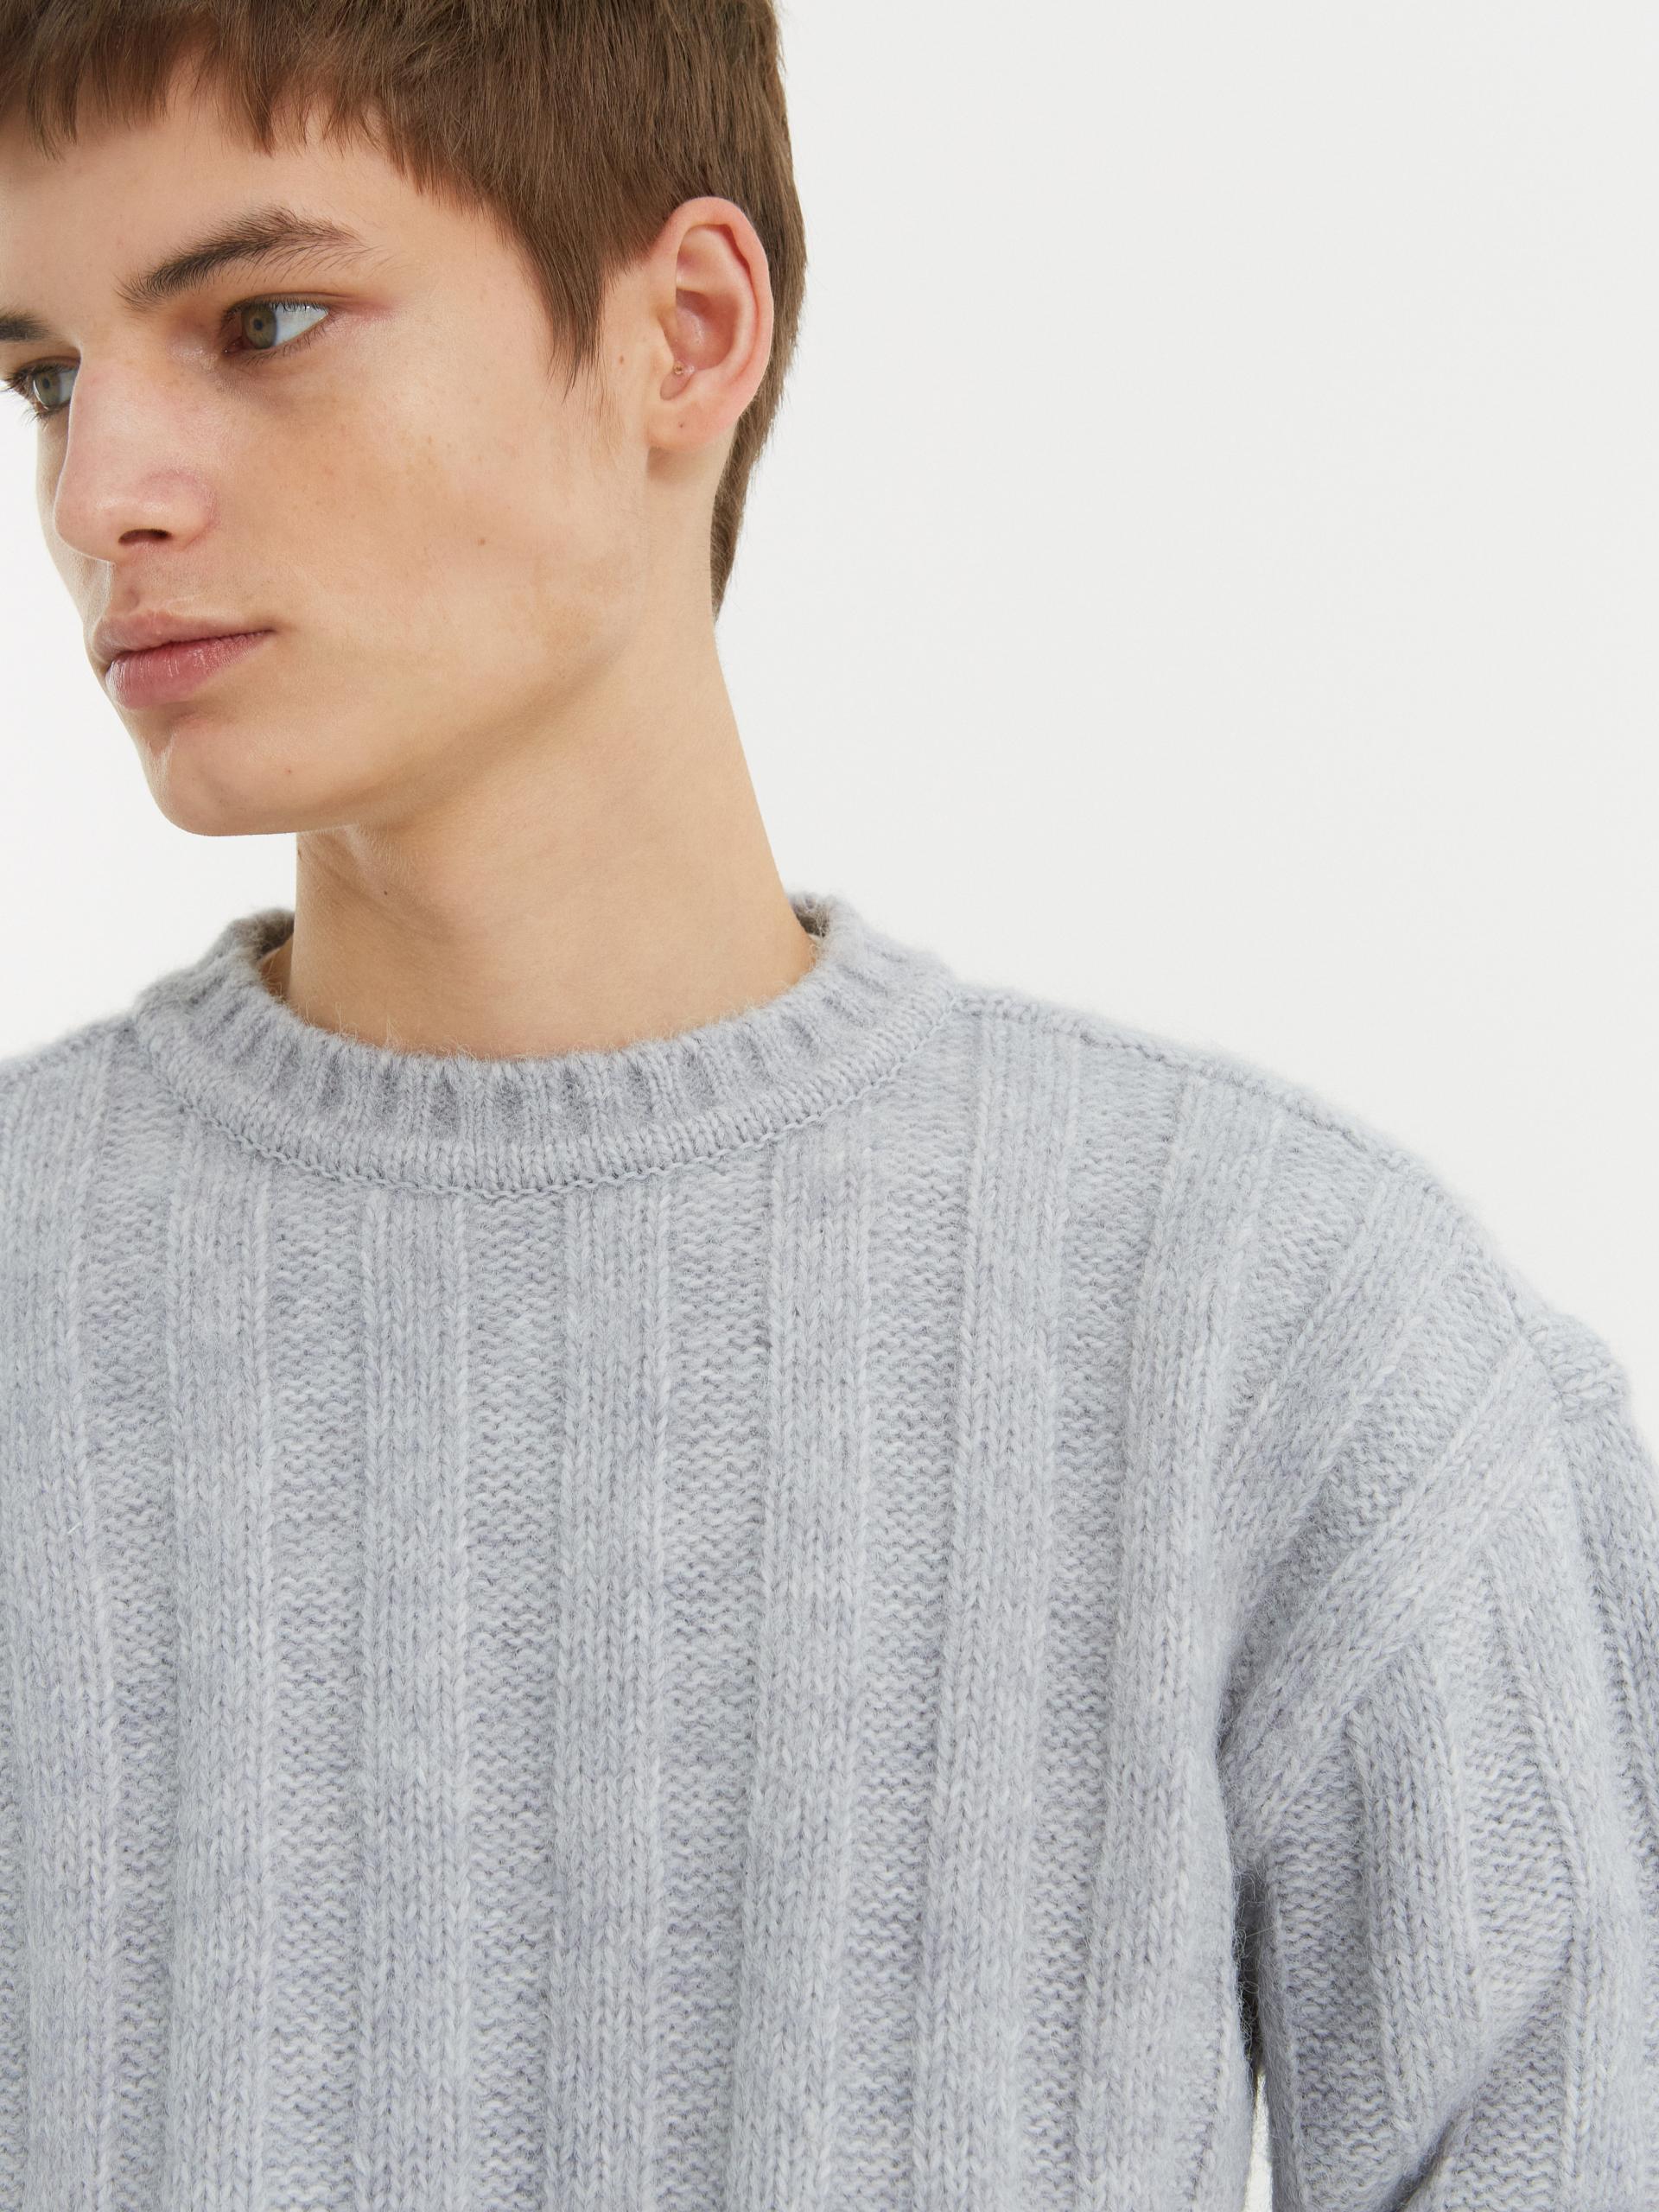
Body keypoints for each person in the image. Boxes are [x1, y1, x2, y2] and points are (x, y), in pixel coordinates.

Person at [0, 7, 1653, 2208]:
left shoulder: (1281, 1333)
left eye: (263, 321)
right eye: (46, 377)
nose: (100, 493)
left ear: (685, 331)